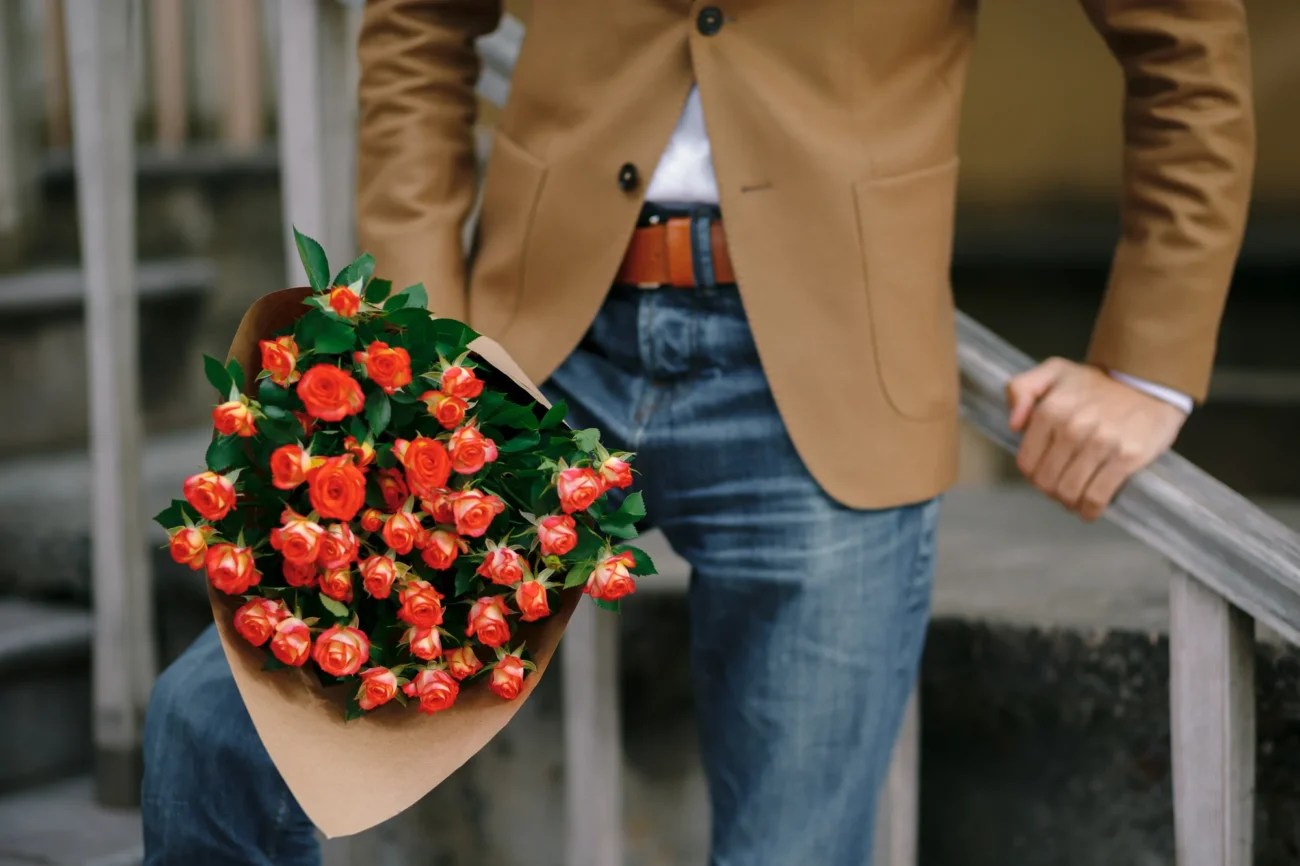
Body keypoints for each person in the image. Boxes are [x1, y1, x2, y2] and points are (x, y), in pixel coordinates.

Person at [142, 2, 1254, 863]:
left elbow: (1186, 47)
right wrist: (418, 332)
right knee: (214, 725)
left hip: (829, 361)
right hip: (537, 349)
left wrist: (1146, 367)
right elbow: (420, 24)